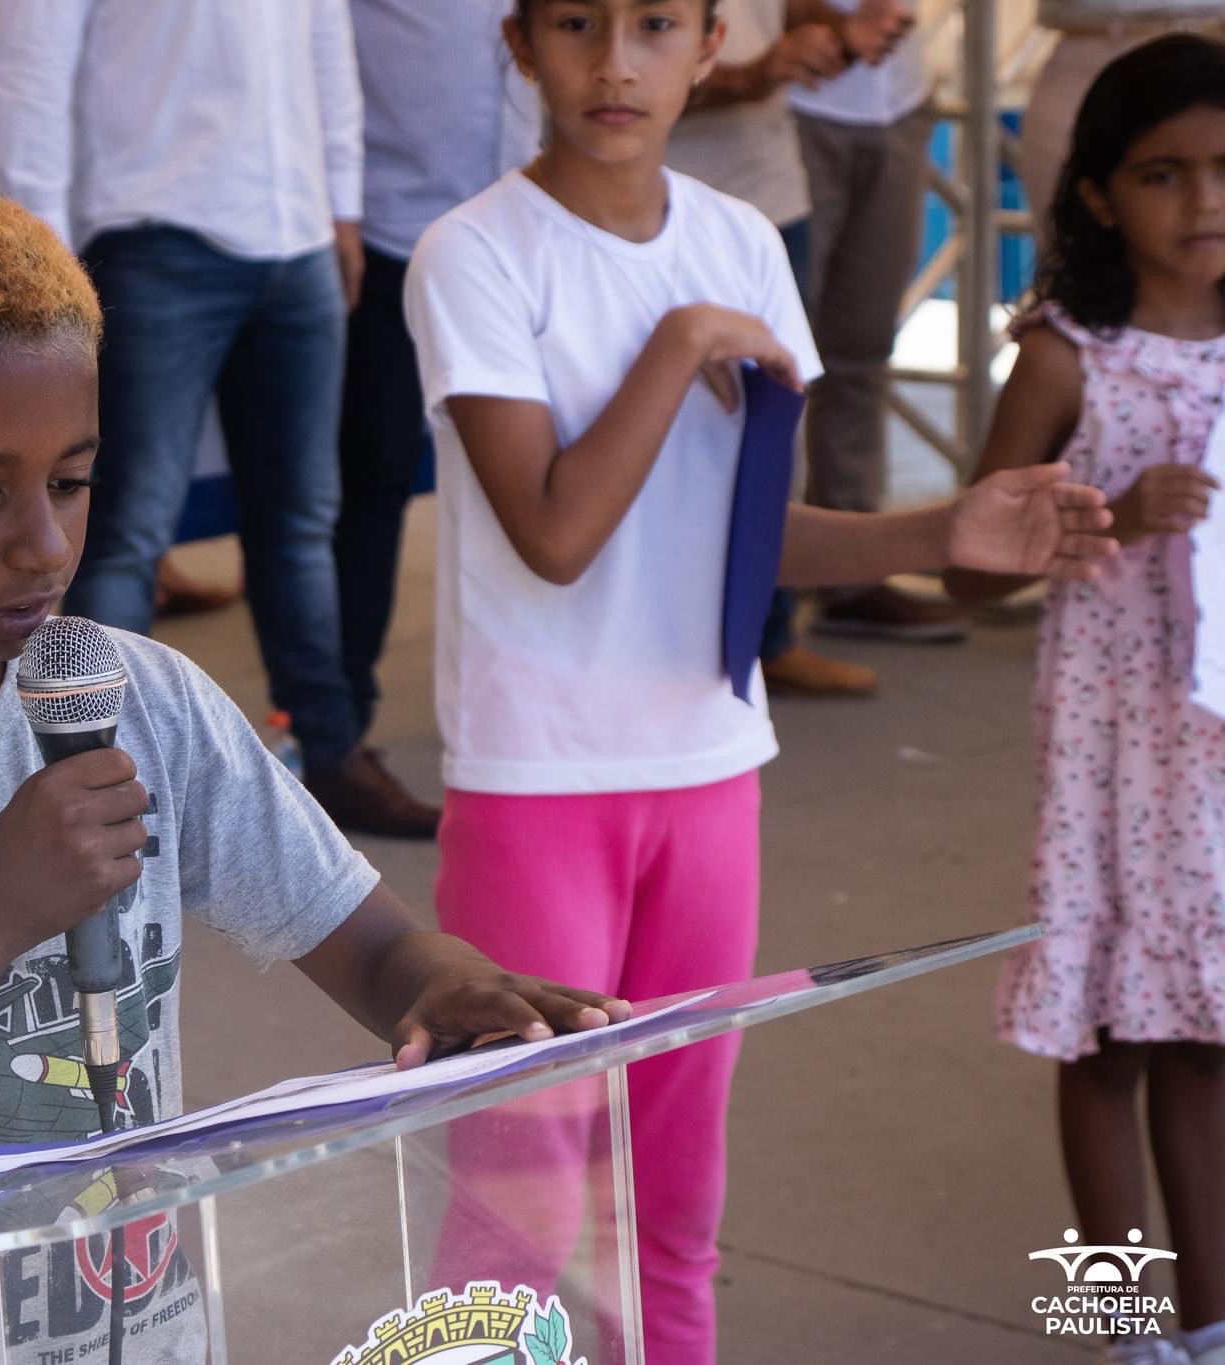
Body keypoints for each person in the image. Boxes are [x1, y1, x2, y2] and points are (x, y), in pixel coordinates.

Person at [0, 175, 631, 1365]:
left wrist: (444, 989)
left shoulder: (142, 701)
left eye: (72, 481)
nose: (42, 543)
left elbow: (376, 948)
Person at [404, 1, 1118, 1359]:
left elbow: (750, 533)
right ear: (518, 43)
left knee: (678, 1191)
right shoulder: (474, 253)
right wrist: (678, 349)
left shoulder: (737, 244)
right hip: (540, 777)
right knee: (523, 1197)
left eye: (656, 24)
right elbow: (553, 534)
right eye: (575, 25)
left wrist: (937, 531)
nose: (614, 62)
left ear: (713, 40)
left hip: (709, 769)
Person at [0, 0, 444, 840]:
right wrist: (41, 253)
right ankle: (99, 778)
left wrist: (341, 206)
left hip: (297, 236)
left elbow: (326, 52)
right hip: (159, 235)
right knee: (129, 534)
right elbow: (33, 69)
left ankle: (330, 750)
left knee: (304, 519)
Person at [946, 36, 1225, 1365]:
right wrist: (1108, 515)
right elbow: (961, 574)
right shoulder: (1070, 361)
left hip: (1220, 767)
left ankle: (1212, 1324)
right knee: (1109, 1037)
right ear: (1103, 196)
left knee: (1212, 1042)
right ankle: (1116, 1331)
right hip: (1117, 759)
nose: (1207, 201)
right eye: (1165, 174)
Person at [338, 0, 540, 783]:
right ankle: (341, 728)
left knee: (527, 477)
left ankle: (519, 701)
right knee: (374, 480)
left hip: (517, 235)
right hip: (393, 232)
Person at [667, 0, 892, 695]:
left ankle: (768, 632)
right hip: (653, 203)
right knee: (662, 439)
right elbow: (606, 75)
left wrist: (826, 26)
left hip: (770, 198)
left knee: (772, 431)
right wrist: (753, 72)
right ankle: (681, 643)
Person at [792, 0, 974, 640]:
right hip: (794, 105)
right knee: (775, 358)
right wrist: (829, 23)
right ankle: (758, 590)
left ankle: (850, 577)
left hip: (899, 99)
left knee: (862, 348)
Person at [1019, 1, 1224, 228]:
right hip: (1091, 40)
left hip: (1214, 37)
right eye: (1161, 178)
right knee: (1074, 237)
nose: (1207, 203)